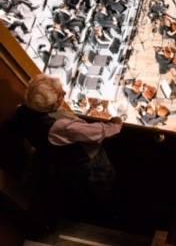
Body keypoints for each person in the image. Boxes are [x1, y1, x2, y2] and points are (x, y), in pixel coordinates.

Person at [11, 74, 122, 218]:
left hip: (59, 161)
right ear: (52, 105)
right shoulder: (60, 125)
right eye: (61, 94)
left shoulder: (22, 110)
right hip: (89, 164)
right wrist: (116, 123)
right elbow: (99, 131)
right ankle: (105, 212)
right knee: (102, 187)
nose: (65, 93)